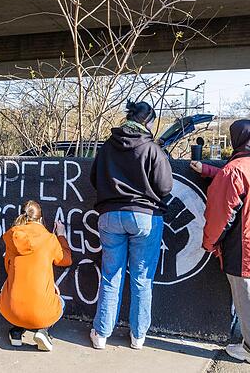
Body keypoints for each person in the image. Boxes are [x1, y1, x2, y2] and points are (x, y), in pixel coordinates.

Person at [192, 119, 250, 367]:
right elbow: (238, 177)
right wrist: (209, 171)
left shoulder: (235, 170)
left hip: (244, 242)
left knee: (247, 293)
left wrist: (209, 243)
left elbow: (221, 214)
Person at [89, 101, 173, 350]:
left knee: (110, 276)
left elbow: (94, 178)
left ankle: (101, 334)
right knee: (141, 278)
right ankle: (138, 336)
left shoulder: (106, 147)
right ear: (148, 121)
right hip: (144, 217)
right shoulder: (151, 149)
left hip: (110, 215)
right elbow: (165, 187)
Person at [0, 201, 72, 351]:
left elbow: (8, 269)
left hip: (10, 310)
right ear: (40, 219)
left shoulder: (13, 237)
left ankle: (16, 331)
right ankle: (43, 331)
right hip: (40, 312)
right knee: (60, 302)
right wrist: (61, 235)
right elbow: (66, 260)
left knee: (15, 292)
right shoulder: (49, 239)